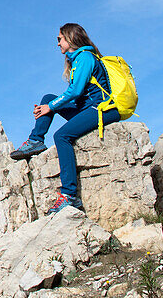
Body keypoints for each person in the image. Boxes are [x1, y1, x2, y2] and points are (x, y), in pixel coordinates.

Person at [9, 23, 120, 215]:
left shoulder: (84, 57)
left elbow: (75, 91)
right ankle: (36, 141)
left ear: (70, 38)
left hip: (102, 108)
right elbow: (74, 94)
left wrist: (50, 108)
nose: (58, 44)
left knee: (61, 136)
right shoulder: (77, 59)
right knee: (48, 98)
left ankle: (70, 195)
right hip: (88, 108)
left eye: (59, 39)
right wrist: (49, 106)